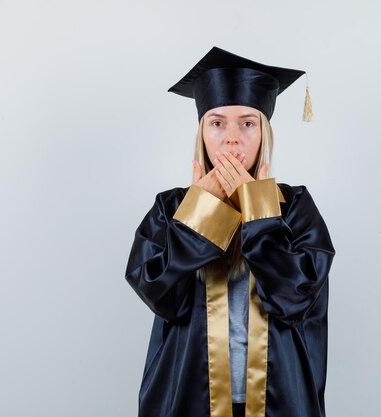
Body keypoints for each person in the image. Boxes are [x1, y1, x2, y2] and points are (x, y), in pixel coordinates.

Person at [124, 46, 336, 417]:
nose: (232, 138)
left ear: (264, 132)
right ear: (202, 132)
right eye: (217, 123)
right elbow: (161, 295)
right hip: (187, 399)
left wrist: (259, 210)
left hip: (278, 400)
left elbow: (293, 298)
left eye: (247, 123)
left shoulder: (296, 208)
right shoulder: (171, 208)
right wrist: (201, 211)